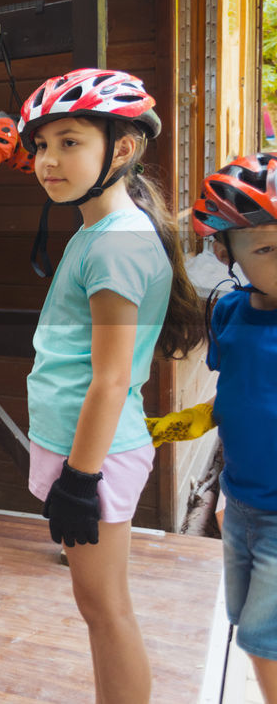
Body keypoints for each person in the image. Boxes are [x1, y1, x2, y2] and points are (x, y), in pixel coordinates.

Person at [18, 69, 205, 703]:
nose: (48, 160)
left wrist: (80, 478)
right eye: (42, 145)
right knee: (98, 609)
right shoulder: (100, 231)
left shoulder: (117, 243)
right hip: (80, 447)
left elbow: (113, 376)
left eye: (69, 142)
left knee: (106, 612)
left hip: (93, 455)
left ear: (120, 149)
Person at [174, 152, 277, 702]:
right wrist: (188, 426)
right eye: (265, 248)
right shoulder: (228, 314)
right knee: (244, 620)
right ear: (224, 252)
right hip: (240, 504)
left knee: (263, 639)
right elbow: (239, 393)